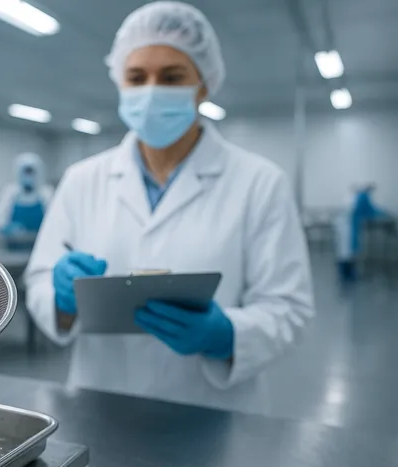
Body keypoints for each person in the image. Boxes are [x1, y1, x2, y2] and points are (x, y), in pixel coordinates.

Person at [24, 1, 314, 414]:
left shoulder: (260, 183)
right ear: (120, 83)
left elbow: (290, 309)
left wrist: (227, 335)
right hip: (102, 403)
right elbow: (38, 282)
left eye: (173, 76)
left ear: (204, 84)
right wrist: (61, 299)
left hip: (213, 410)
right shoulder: (81, 180)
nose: (152, 90)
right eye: (137, 77)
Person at [0, 153, 54, 250]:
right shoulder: (9, 193)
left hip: (40, 247)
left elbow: (54, 219)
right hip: (13, 247)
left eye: (31, 172)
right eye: (25, 172)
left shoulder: (46, 194)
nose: (28, 177)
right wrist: (9, 228)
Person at [334, 183, 387, 281]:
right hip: (347, 228)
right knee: (348, 251)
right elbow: (370, 210)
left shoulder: (351, 198)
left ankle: (346, 273)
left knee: (345, 251)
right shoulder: (361, 198)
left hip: (344, 227)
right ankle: (348, 274)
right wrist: (384, 213)